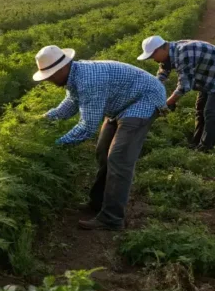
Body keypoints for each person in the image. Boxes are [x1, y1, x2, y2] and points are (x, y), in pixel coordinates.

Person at [36, 45, 167, 231]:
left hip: (144, 100)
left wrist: (56, 146)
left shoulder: (89, 81)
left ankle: (112, 218)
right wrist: (45, 119)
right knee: (103, 152)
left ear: (62, 68)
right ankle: (97, 203)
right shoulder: (75, 75)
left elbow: (87, 128)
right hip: (122, 103)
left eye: (50, 75)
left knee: (118, 158)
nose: (48, 80)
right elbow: (71, 103)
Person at [138, 36, 215, 153]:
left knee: (211, 112)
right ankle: (196, 142)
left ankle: (206, 149)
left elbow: (184, 86)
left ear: (159, 49)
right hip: (208, 75)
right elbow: (162, 73)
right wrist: (152, 90)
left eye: (152, 56)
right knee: (200, 109)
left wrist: (166, 104)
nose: (153, 59)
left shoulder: (184, 52)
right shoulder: (169, 52)